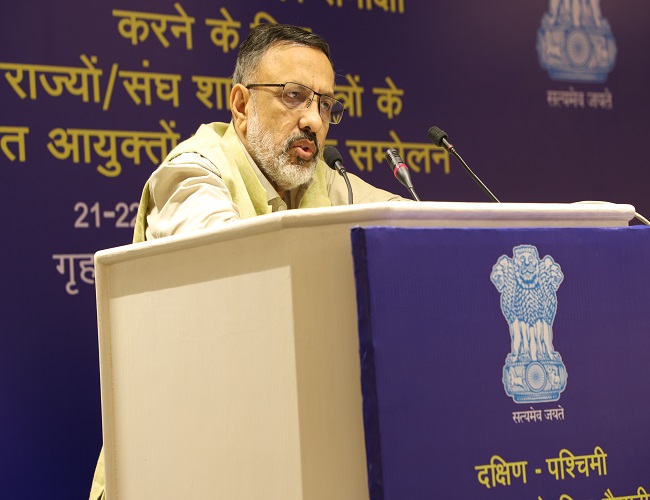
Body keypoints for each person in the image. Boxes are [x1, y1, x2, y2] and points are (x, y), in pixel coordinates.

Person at [89, 22, 404, 499]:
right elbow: (226, 268)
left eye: (325, 104)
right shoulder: (192, 172)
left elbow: (406, 222)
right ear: (241, 105)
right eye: (294, 97)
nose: (313, 121)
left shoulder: (322, 178)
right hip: (179, 464)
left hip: (270, 455)